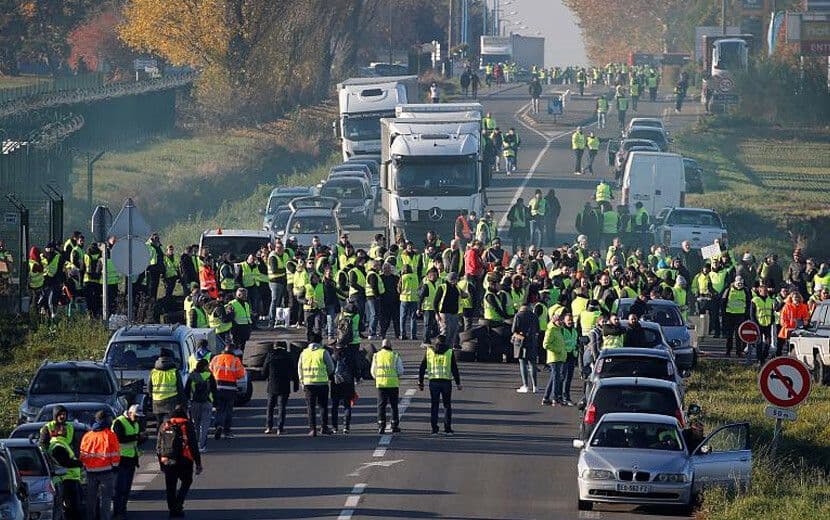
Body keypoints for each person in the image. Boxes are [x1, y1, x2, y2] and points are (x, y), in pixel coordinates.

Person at [157, 405, 202, 518]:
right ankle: (179, 503)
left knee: (170, 486)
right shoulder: (187, 424)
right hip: (185, 460)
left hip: (168, 460)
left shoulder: (165, 425)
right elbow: (193, 445)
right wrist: (198, 463)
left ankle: (172, 509)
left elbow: (158, 446)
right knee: (187, 481)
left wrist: (161, 463)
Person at [80, 410, 120, 520]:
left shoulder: (87, 436)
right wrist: (115, 467)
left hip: (90, 472)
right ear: (106, 420)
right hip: (106, 472)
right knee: (105, 500)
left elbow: (82, 454)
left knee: (91, 500)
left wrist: (86, 466)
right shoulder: (110, 435)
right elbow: (115, 454)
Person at [418, 335, 462, 435]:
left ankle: (434, 429)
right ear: (445, 342)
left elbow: (422, 367)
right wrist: (458, 383)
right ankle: (447, 428)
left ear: (436, 342)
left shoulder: (429, 352)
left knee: (434, 405)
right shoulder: (449, 352)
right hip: (446, 382)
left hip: (433, 382)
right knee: (447, 405)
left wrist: (420, 382)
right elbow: (454, 369)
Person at [112, 405, 144, 520]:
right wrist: (136, 437)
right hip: (120, 460)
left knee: (126, 488)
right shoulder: (118, 422)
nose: (137, 419)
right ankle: (117, 512)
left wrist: (141, 439)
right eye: (136, 416)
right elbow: (119, 438)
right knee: (119, 488)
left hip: (131, 459)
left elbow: (134, 442)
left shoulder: (135, 423)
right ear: (130, 413)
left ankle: (122, 509)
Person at [48, 420, 84, 520]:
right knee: (72, 508)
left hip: (68, 479)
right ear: (57, 431)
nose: (65, 430)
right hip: (66, 480)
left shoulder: (60, 443)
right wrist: (80, 463)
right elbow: (65, 462)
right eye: (62, 428)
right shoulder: (57, 445)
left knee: (71, 508)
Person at [209, 343, 246, 440]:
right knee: (228, 410)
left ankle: (218, 426)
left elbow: (210, 370)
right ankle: (227, 431)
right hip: (230, 389)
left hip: (217, 387)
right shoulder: (235, 360)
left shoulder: (216, 358)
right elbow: (241, 375)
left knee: (219, 409)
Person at [298, 341, 335, 436]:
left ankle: (312, 429)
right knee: (323, 406)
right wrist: (327, 374)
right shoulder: (323, 352)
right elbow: (331, 367)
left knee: (311, 407)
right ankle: (324, 427)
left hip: (308, 384)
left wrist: (302, 381)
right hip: (322, 383)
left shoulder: (304, 352)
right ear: (319, 342)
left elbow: (300, 368)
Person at [263, 341, 299, 434]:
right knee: (282, 407)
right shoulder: (288, 356)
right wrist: (296, 384)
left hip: (272, 385)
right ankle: (280, 428)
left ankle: (269, 427)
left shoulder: (270, 356)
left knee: (270, 407)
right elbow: (294, 371)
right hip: (284, 385)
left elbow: (264, 370)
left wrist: (266, 376)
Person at [372, 339, 405, 434]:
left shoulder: (376, 355)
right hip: (393, 384)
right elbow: (400, 371)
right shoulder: (395, 355)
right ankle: (394, 425)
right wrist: (395, 376)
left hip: (381, 384)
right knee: (394, 406)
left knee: (381, 405)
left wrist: (378, 378)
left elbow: (373, 371)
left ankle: (381, 425)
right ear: (390, 346)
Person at [330, 336, 361, 434]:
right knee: (347, 405)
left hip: (336, 383)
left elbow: (330, 369)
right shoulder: (350, 355)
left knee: (335, 406)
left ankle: (334, 427)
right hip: (348, 383)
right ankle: (346, 427)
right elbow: (356, 368)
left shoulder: (333, 356)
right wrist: (357, 378)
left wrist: (331, 378)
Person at [149, 349, 184, 428]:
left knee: (159, 423)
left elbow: (149, 387)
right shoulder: (174, 372)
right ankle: (169, 438)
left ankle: (159, 438)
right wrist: (182, 402)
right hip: (171, 401)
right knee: (171, 423)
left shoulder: (153, 371)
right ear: (170, 358)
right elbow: (180, 388)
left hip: (157, 401)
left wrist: (152, 397)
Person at [187, 358, 216, 451]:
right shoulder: (209, 375)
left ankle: (195, 444)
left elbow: (186, 391)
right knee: (205, 425)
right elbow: (214, 390)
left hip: (194, 403)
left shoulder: (191, 376)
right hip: (207, 402)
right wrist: (216, 403)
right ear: (204, 366)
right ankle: (202, 445)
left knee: (196, 425)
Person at [721, 276, 751, 357]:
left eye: (741, 284)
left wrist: (747, 314)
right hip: (729, 315)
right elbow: (723, 302)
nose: (739, 285)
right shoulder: (728, 290)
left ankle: (739, 352)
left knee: (739, 335)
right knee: (729, 335)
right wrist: (724, 314)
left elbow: (748, 303)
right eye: (738, 283)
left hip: (740, 316)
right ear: (735, 282)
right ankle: (728, 351)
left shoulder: (745, 291)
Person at [513, 304, 539, 393]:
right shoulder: (534, 316)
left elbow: (513, 330)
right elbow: (537, 330)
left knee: (523, 363)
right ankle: (535, 386)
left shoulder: (518, 316)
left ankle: (525, 386)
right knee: (533, 363)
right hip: (532, 341)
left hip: (521, 342)